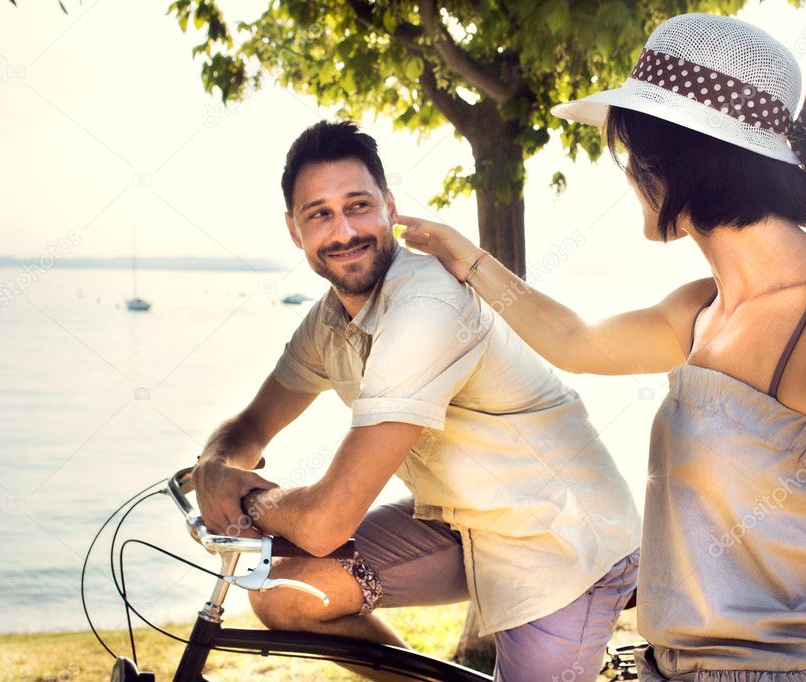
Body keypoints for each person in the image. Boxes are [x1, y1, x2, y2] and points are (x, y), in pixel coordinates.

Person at [399, 12, 806, 682]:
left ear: (674, 157)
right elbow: (574, 340)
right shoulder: (700, 307)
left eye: (626, 153)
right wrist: (464, 257)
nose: (623, 176)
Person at [191, 120, 642, 681]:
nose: (343, 230)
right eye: (319, 214)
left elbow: (328, 522)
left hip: (557, 536)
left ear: (389, 205)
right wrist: (216, 466)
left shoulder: (426, 304)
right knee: (286, 594)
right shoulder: (329, 322)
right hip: (457, 521)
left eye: (358, 205)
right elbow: (252, 424)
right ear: (294, 230)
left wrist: (249, 501)